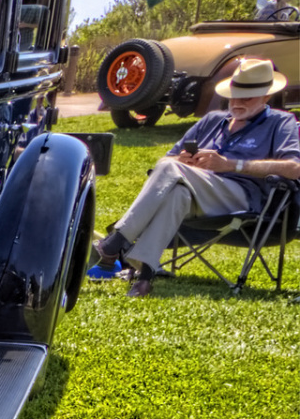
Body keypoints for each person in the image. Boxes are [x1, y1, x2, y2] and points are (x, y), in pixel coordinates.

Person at [94, 57, 300, 297]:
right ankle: (145, 275)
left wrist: (232, 165)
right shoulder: (213, 120)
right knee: (177, 192)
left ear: (266, 97)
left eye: (247, 97)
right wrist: (182, 161)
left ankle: (114, 244)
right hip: (196, 191)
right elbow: (167, 160)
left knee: (171, 173)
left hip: (243, 197)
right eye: (235, 95)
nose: (238, 102)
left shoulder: (280, 122)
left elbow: (294, 167)